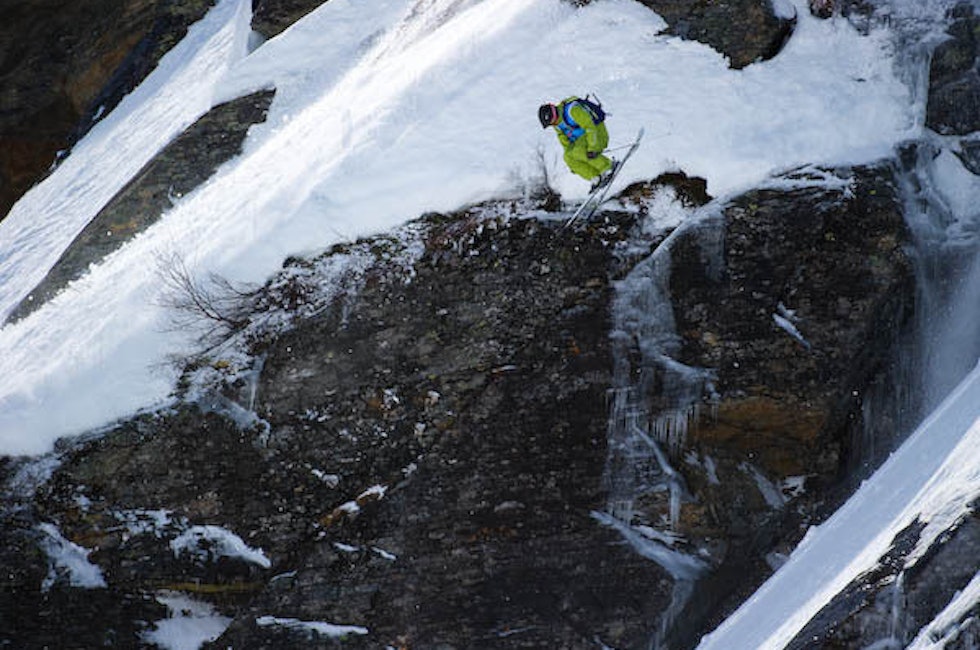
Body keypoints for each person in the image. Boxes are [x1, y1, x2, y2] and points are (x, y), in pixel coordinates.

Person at [539, 96, 616, 190]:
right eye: (551, 124)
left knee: (578, 151)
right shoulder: (557, 125)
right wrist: (573, 163)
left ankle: (607, 167)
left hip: (597, 135)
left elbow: (590, 127)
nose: (553, 125)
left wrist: (593, 148)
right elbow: (566, 144)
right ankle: (595, 177)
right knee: (568, 157)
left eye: (552, 122)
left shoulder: (572, 110)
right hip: (582, 140)